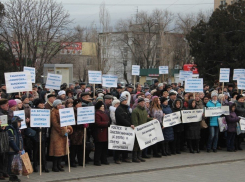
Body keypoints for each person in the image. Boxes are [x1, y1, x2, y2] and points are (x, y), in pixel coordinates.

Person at [49, 99, 73, 172]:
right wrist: (63, 130)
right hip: (56, 133)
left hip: (63, 133)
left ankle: (59, 165)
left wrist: (68, 128)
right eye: (58, 105)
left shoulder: (63, 111)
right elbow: (55, 124)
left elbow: (67, 121)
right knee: (56, 151)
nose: (60, 106)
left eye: (60, 104)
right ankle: (54, 166)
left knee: (62, 151)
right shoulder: (53, 112)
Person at [131, 98, 153, 162]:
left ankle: (139, 156)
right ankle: (134, 157)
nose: (143, 103)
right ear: (138, 103)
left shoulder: (144, 110)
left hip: (143, 129)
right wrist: (137, 129)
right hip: (138, 129)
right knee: (136, 144)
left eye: (143, 102)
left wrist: (152, 119)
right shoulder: (135, 111)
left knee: (141, 143)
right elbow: (135, 121)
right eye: (141, 102)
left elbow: (146, 118)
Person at [114, 96, 134, 164]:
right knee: (119, 144)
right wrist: (129, 124)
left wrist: (130, 123)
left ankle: (125, 157)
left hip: (127, 128)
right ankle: (117, 158)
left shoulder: (126, 108)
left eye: (126, 100)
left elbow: (128, 117)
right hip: (121, 128)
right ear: (122, 101)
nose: (126, 101)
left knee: (126, 144)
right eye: (125, 100)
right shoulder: (119, 109)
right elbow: (121, 119)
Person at [32, 98, 49, 173]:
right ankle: (35, 165)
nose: (43, 105)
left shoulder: (45, 111)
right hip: (37, 133)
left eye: (43, 103)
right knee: (36, 151)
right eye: (41, 103)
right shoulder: (33, 111)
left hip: (43, 133)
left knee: (43, 151)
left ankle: (44, 166)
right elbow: (32, 123)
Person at [69, 99, 86, 167]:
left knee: (80, 148)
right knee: (73, 148)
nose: (81, 105)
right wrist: (80, 123)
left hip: (81, 132)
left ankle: (80, 161)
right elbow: (72, 122)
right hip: (74, 132)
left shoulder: (82, 111)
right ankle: (72, 161)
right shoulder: (72, 111)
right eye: (79, 103)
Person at [6, 116, 23, 182]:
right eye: (18, 122)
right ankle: (11, 176)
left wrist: (21, 148)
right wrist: (17, 149)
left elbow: (21, 140)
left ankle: (14, 176)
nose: (19, 123)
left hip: (17, 150)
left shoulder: (17, 130)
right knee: (11, 164)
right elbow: (11, 141)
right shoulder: (10, 129)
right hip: (12, 150)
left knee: (16, 164)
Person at [93, 101, 110, 166]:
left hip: (105, 132)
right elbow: (98, 123)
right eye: (102, 106)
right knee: (99, 148)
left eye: (103, 106)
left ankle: (104, 159)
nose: (103, 107)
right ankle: (97, 160)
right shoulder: (97, 114)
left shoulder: (104, 113)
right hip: (100, 132)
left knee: (104, 147)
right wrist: (106, 124)